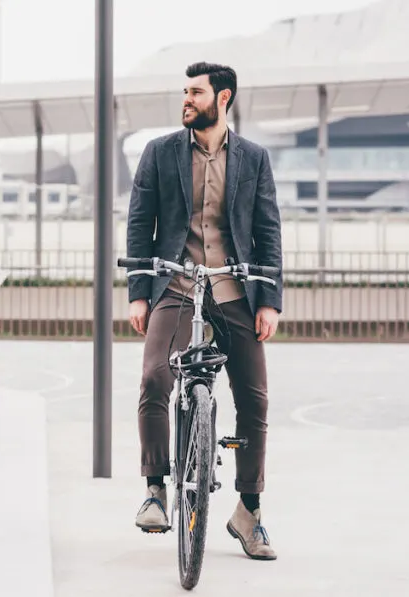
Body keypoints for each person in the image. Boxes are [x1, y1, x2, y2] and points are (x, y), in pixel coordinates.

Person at [125, 62, 283, 561]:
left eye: (196, 92)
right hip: (176, 284)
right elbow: (139, 222)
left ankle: (249, 511)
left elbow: (268, 230)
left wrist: (271, 300)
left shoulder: (254, 158)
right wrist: (138, 292)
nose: (187, 99)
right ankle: (155, 488)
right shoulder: (160, 152)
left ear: (224, 98)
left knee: (254, 399)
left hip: (234, 289)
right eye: (184, 92)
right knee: (154, 377)